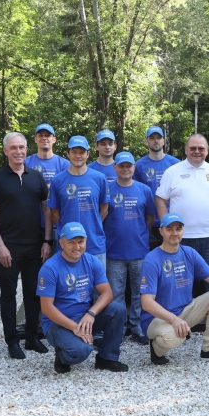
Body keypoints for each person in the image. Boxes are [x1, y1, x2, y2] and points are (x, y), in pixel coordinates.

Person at [154, 133, 209, 345]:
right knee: (180, 285)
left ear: (207, 150)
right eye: (193, 148)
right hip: (181, 240)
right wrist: (167, 227)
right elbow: (160, 199)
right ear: (186, 149)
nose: (197, 152)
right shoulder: (173, 172)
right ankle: (181, 326)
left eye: (201, 148)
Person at [0, 132, 51, 360]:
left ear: (26, 149)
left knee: (33, 293)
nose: (18, 151)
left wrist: (47, 241)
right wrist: (0, 246)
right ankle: (12, 341)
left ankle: (31, 337)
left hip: (35, 246)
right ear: (6, 151)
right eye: (13, 148)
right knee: (8, 295)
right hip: (9, 247)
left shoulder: (37, 177)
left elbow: (47, 210)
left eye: (21, 147)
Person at [140, 213, 209, 365]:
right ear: (161, 231)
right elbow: (147, 303)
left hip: (185, 310)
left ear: (183, 231)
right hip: (155, 318)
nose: (174, 233)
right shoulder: (152, 259)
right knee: (175, 337)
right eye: (169, 229)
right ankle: (156, 349)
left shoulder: (189, 253)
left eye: (178, 229)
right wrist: (174, 320)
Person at [37, 222, 129, 373]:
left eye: (80, 242)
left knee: (118, 310)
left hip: (84, 316)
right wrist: (75, 328)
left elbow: (107, 293)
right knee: (81, 351)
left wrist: (91, 313)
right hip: (57, 323)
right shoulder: (50, 268)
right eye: (71, 242)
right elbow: (46, 308)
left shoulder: (92, 261)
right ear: (61, 243)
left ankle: (107, 358)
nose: (77, 247)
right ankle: (62, 356)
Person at [104, 151, 156, 345]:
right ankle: (117, 329)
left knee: (139, 293)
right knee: (115, 294)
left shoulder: (144, 190)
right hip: (114, 251)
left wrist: (139, 234)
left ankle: (137, 327)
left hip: (139, 251)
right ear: (115, 167)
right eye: (122, 165)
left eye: (129, 165)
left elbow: (150, 218)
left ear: (134, 167)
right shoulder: (107, 189)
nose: (125, 169)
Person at [47, 136, 110, 265]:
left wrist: (92, 225)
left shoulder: (99, 178)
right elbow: (54, 213)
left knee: (97, 278)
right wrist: (69, 230)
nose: (78, 155)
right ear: (68, 153)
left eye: (81, 152)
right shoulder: (57, 180)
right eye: (74, 152)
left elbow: (104, 210)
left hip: (94, 244)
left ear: (88, 154)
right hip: (68, 244)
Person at [25, 123, 70, 249]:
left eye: (48, 135)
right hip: (32, 226)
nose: (44, 138)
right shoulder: (26, 163)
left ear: (54, 139)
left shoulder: (64, 165)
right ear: (35, 139)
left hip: (57, 225)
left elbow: (66, 191)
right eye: (40, 135)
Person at [134, 126, 180, 249]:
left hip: (172, 221)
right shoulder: (138, 165)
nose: (156, 141)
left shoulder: (176, 164)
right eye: (152, 138)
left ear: (163, 141)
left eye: (159, 138)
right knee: (152, 257)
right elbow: (136, 192)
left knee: (172, 255)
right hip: (149, 222)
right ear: (146, 141)